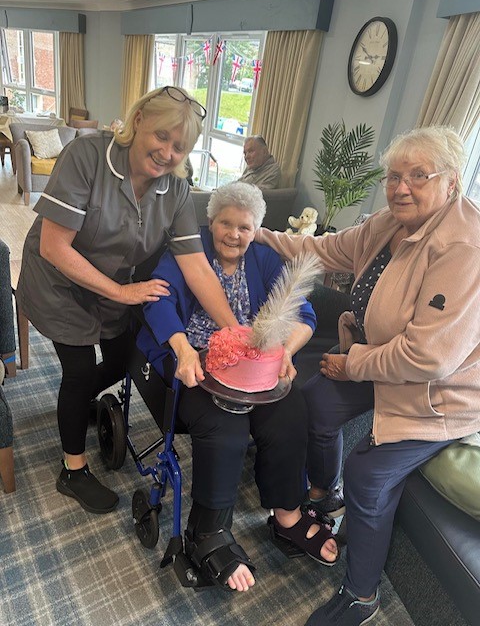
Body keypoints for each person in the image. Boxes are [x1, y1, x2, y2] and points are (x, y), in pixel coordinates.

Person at [254, 126, 480, 625]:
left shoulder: (465, 246)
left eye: (419, 175)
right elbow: (325, 249)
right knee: (312, 403)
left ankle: (361, 596)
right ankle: (323, 495)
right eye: (394, 175)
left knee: (368, 476)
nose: (401, 187)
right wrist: (251, 231)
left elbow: (428, 357)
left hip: (438, 393)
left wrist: (351, 363)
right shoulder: (388, 224)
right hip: (376, 362)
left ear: (452, 182)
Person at [16, 86, 240, 515]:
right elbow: (54, 246)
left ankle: (78, 406)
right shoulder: (87, 157)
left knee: (127, 357)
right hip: (59, 280)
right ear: (138, 122)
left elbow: (196, 266)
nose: (167, 152)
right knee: (79, 367)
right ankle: (73, 470)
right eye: (161, 137)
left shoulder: (175, 189)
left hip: (112, 282)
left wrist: (235, 330)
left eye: (180, 147)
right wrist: (121, 292)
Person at [136, 181, 340, 592]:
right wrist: (183, 350)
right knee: (225, 426)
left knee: (290, 410)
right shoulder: (187, 254)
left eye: (244, 227)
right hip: (196, 358)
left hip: (255, 365)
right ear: (210, 223)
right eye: (225, 223)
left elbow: (303, 312)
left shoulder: (264, 259)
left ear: (256, 229)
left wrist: (286, 351)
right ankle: (207, 530)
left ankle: (287, 516)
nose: (234, 234)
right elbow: (157, 301)